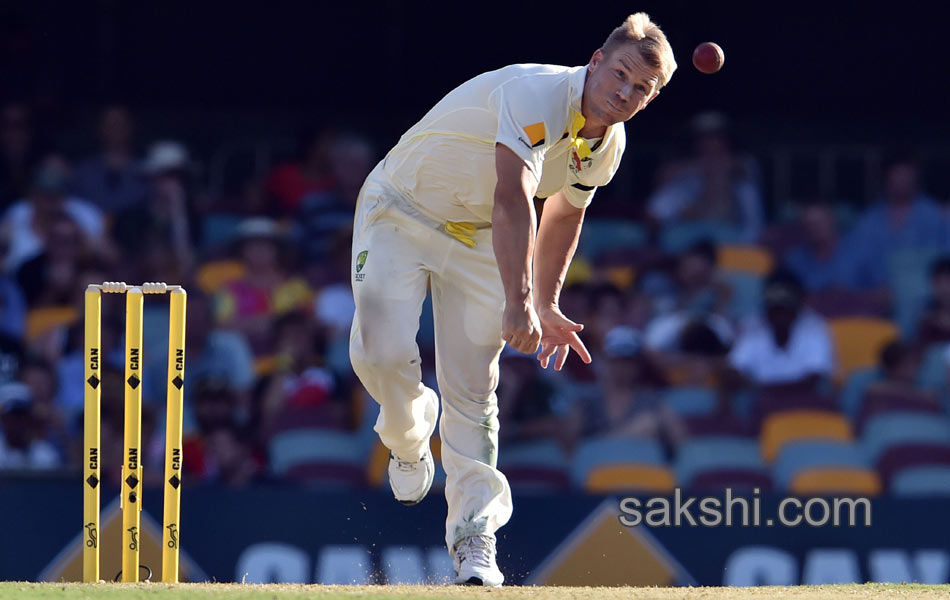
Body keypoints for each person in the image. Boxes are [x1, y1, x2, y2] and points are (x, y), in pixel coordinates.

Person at [348, 13, 676, 586]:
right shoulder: (538, 92)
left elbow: (564, 214)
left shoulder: (608, 144)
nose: (624, 93)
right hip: (400, 209)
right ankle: (405, 433)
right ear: (595, 61)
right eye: (619, 74)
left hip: (479, 238)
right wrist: (518, 298)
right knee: (381, 350)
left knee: (474, 388)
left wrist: (545, 302)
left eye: (641, 90)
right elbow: (514, 195)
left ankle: (475, 538)